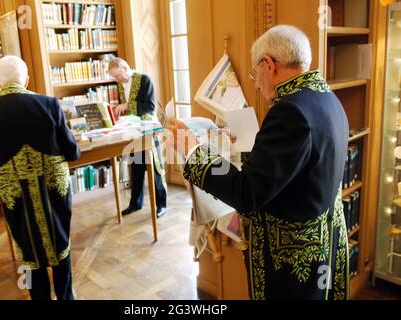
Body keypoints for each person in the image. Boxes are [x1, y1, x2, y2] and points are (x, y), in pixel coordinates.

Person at [167, 25, 350, 300]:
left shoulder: (289, 110)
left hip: (292, 258)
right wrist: (245, 147)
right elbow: (295, 166)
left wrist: (194, 151)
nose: (255, 82)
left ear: (269, 65)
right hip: (323, 241)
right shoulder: (325, 96)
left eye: (255, 73)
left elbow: (248, 193)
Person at [0, 55, 80, 300]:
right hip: (54, 193)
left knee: (27, 249)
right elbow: (72, 152)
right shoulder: (49, 104)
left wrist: (3, 164)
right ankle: (65, 297)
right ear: (27, 80)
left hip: (16, 196)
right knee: (60, 241)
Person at [108, 57, 167, 218]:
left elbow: (150, 106)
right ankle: (135, 203)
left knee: (154, 167)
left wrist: (127, 106)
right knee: (136, 167)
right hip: (131, 130)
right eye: (115, 77)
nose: (117, 80)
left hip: (148, 128)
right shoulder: (121, 86)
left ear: (125, 69)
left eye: (118, 76)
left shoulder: (144, 79)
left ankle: (161, 204)